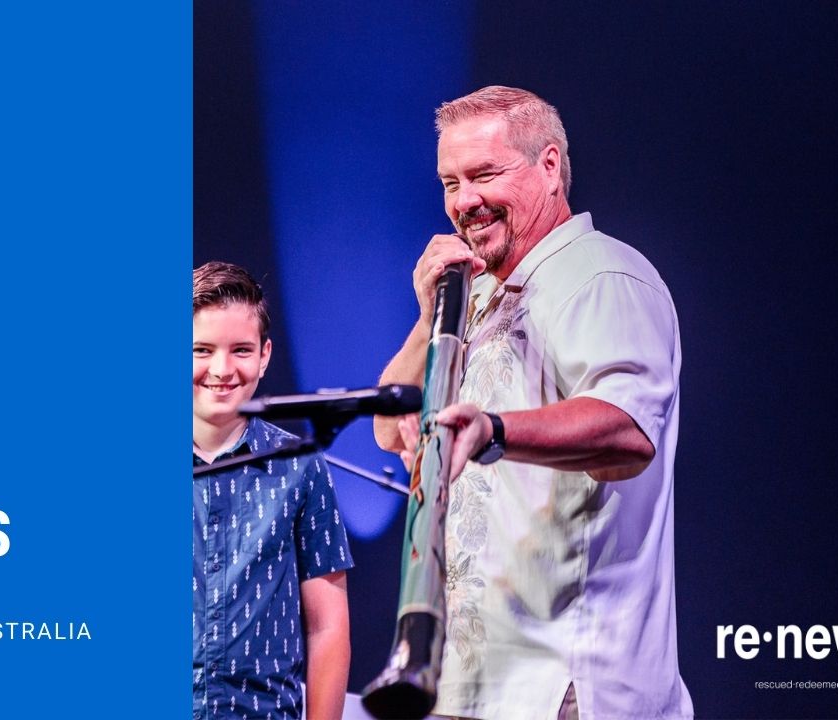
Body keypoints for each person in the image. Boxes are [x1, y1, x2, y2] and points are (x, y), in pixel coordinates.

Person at [375, 86, 692, 719]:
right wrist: (428, 318)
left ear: (549, 166)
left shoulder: (599, 274)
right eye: (450, 183)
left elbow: (627, 431)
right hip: (469, 687)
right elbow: (392, 427)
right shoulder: (481, 293)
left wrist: (492, 430)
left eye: (484, 175)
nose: (463, 202)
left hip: (567, 691)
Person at [192, 261, 353, 719]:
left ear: (264, 355)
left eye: (240, 350)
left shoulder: (298, 465)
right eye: (201, 350)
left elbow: (327, 627)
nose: (222, 369)